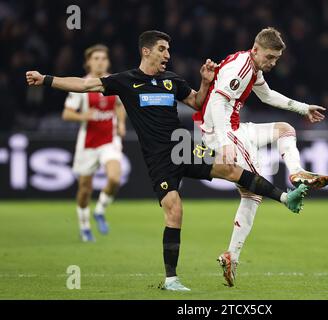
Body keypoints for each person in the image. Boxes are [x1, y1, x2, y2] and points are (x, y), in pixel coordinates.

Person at [26, 30, 308, 292]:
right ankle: (171, 279)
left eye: (168, 50)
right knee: (175, 210)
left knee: (233, 170)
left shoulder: (171, 80)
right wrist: (47, 79)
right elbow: (85, 85)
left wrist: (205, 82)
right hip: (158, 160)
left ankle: (286, 198)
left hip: (183, 148)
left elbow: (197, 103)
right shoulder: (125, 81)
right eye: (162, 50)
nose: (167, 55)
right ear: (146, 51)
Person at [193, 27, 328, 287]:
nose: (273, 63)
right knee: (253, 191)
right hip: (222, 131)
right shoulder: (241, 68)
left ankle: (296, 172)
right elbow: (216, 104)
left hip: (235, 127)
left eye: (276, 59)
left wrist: (303, 108)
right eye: (269, 57)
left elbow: (267, 95)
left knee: (285, 130)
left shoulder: (251, 67)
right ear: (256, 50)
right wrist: (224, 144)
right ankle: (232, 255)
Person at [62, 44, 126, 242]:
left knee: (115, 178)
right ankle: (84, 226)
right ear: (88, 62)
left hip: (109, 140)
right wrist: (84, 115)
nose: (100, 61)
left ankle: (99, 210)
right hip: (88, 143)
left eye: (103, 58)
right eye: (96, 58)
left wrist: (121, 123)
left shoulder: (114, 82)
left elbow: (119, 105)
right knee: (84, 189)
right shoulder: (80, 86)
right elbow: (66, 113)